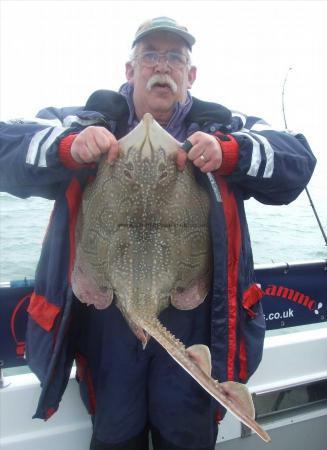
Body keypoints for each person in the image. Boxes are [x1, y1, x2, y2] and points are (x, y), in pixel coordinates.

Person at [0, 16, 316, 450]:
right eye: (150, 56)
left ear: (191, 74)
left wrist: (231, 151)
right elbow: (5, 143)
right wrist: (69, 145)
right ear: (130, 71)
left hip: (195, 319)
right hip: (107, 325)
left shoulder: (226, 126)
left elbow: (298, 158)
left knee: (186, 436)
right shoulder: (85, 120)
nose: (162, 67)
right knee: (115, 436)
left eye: (175, 58)